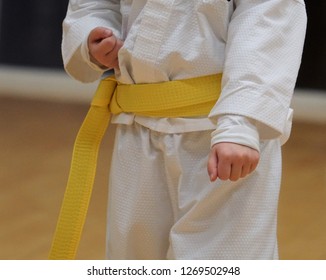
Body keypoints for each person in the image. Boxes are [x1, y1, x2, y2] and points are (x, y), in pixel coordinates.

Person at [62, 0, 307, 259]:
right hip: (138, 127)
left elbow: (268, 14)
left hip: (219, 134)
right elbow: (94, 5)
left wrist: (241, 121)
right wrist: (93, 34)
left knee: (222, 262)